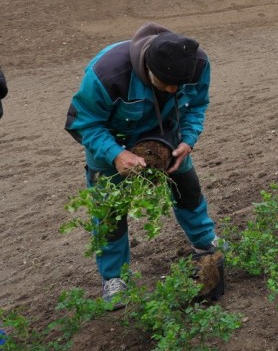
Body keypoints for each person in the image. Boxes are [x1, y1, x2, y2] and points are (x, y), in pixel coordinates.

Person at [65, 22, 223, 309]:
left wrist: (187, 140)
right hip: (112, 144)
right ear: (147, 69)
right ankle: (114, 278)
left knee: (188, 189)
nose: (174, 89)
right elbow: (83, 123)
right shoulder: (109, 73)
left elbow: (197, 105)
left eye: (179, 86)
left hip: (169, 138)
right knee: (110, 213)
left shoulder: (194, 63)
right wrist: (115, 154)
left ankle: (206, 244)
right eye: (166, 84)